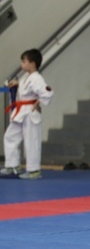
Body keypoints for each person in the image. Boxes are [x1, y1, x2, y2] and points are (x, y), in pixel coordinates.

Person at [1, 48, 53, 179]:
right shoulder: (27, 78)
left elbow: (48, 92)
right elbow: (27, 88)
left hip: (30, 112)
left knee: (31, 141)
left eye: (24, 61)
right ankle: (13, 165)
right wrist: (18, 84)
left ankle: (34, 170)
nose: (21, 64)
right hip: (21, 112)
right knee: (10, 136)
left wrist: (39, 101)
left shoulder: (37, 78)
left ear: (33, 63)